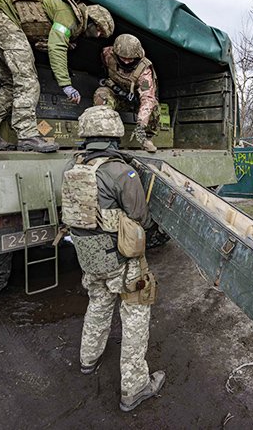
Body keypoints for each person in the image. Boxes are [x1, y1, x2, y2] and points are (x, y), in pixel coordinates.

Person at [61, 104, 165, 412]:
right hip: (120, 260)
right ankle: (134, 388)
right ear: (114, 135)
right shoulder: (122, 171)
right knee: (135, 314)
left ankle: (88, 359)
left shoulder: (74, 166)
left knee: (98, 302)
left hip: (89, 257)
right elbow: (141, 218)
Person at [0, 0, 115, 153]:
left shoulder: (71, 20)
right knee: (28, 81)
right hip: (4, 18)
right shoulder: (70, 16)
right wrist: (66, 85)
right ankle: (27, 135)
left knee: (11, 84)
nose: (98, 35)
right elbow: (56, 47)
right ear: (93, 20)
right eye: (100, 30)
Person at [100, 34, 159, 153]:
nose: (126, 62)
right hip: (118, 96)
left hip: (136, 102)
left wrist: (141, 125)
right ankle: (105, 136)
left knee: (153, 106)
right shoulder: (107, 54)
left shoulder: (144, 69)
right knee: (101, 94)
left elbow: (147, 97)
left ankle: (146, 138)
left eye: (131, 59)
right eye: (123, 58)